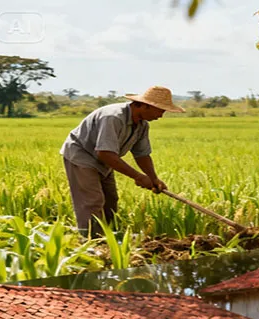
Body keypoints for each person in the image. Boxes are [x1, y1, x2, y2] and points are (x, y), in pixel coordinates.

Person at [60, 86, 184, 237]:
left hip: (105, 160)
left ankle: (108, 237)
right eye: (160, 110)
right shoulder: (113, 117)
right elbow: (104, 153)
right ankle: (90, 241)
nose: (161, 115)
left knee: (110, 200)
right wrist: (138, 177)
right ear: (145, 106)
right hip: (82, 155)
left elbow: (142, 155)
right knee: (92, 201)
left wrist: (153, 178)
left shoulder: (142, 125)